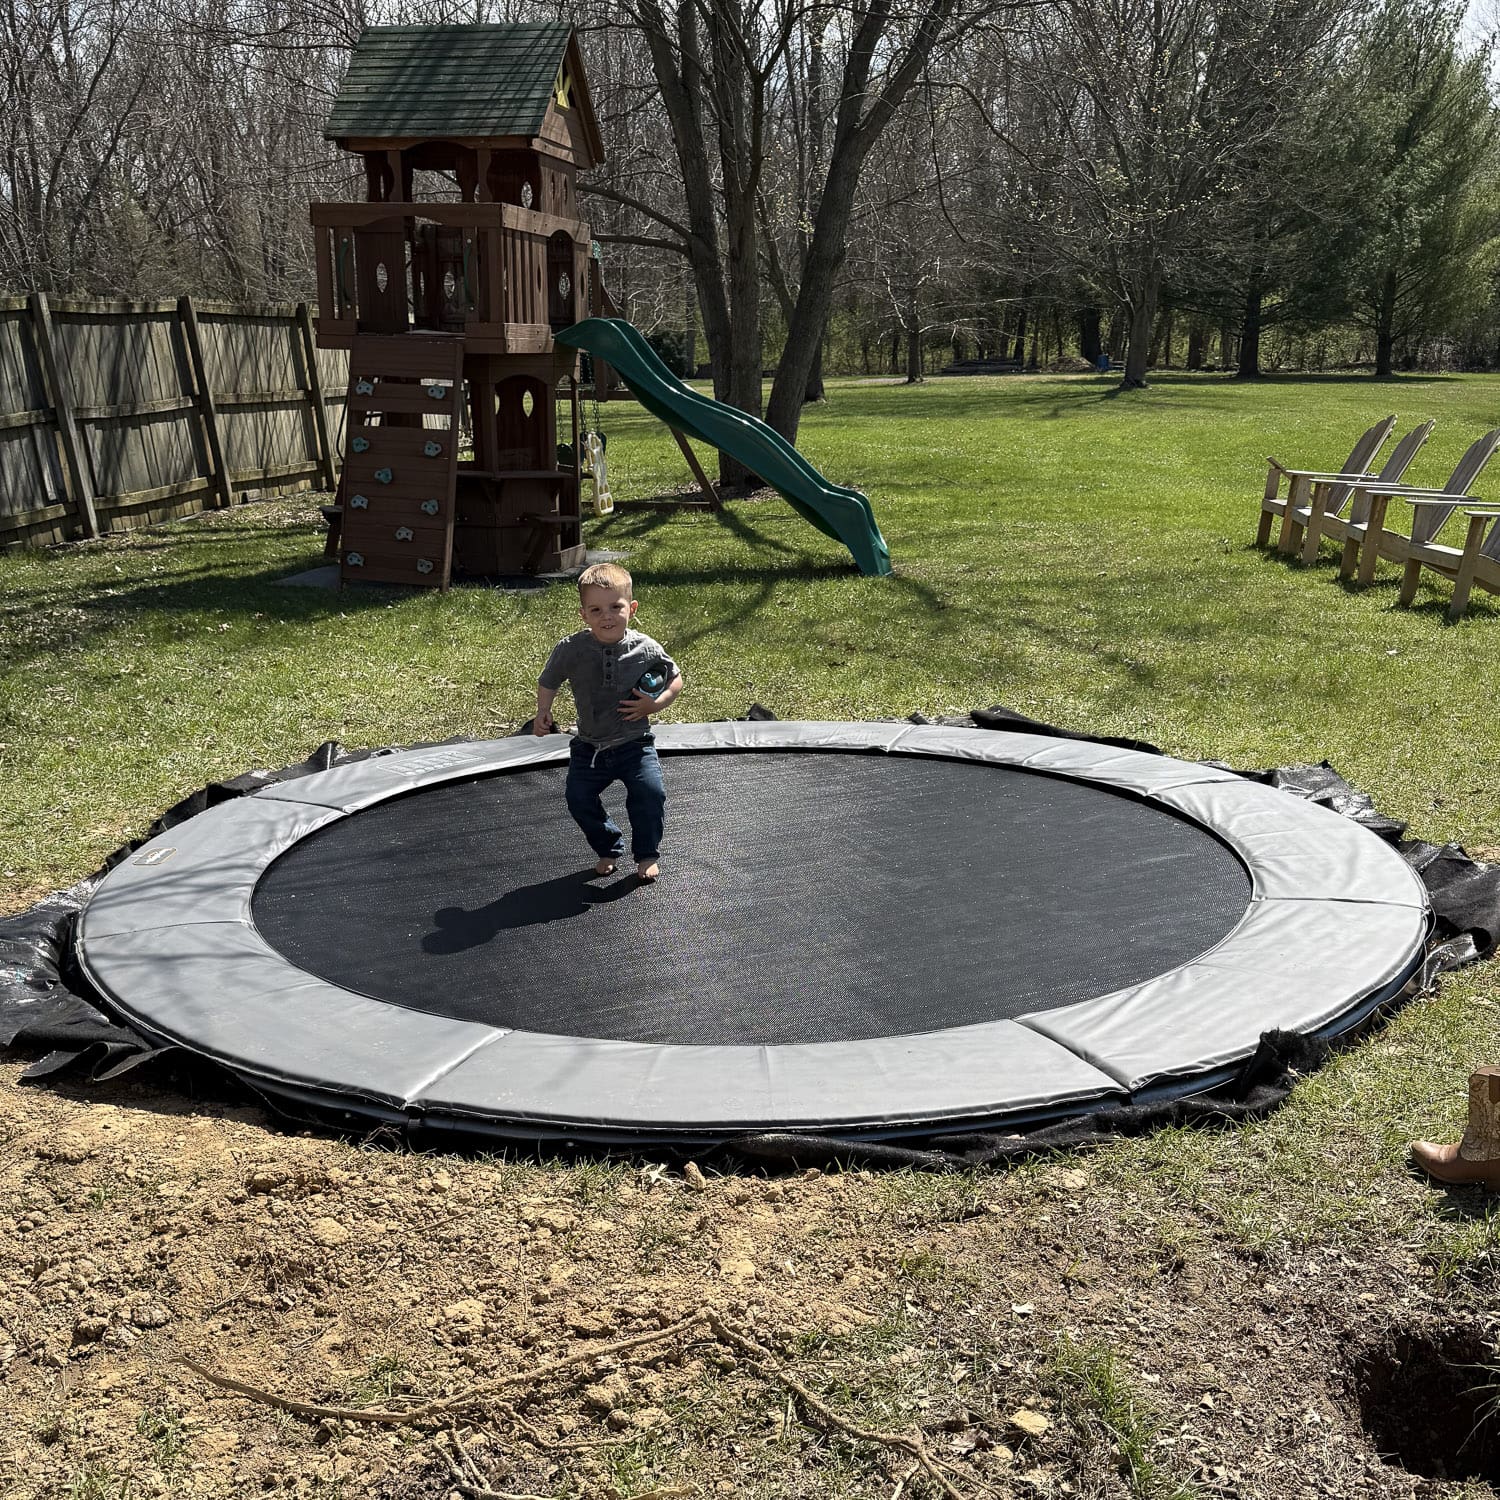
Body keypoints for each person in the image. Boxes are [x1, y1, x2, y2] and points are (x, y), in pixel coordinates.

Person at [534, 563, 683, 882]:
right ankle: (608, 846)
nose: (607, 616)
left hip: (635, 744)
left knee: (650, 793)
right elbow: (549, 680)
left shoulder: (646, 648)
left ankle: (646, 854)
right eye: (596, 609)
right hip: (590, 747)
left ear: (631, 608)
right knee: (578, 798)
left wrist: (654, 703)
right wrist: (543, 711)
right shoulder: (571, 649)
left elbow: (676, 679)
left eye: (616, 607)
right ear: (583, 615)